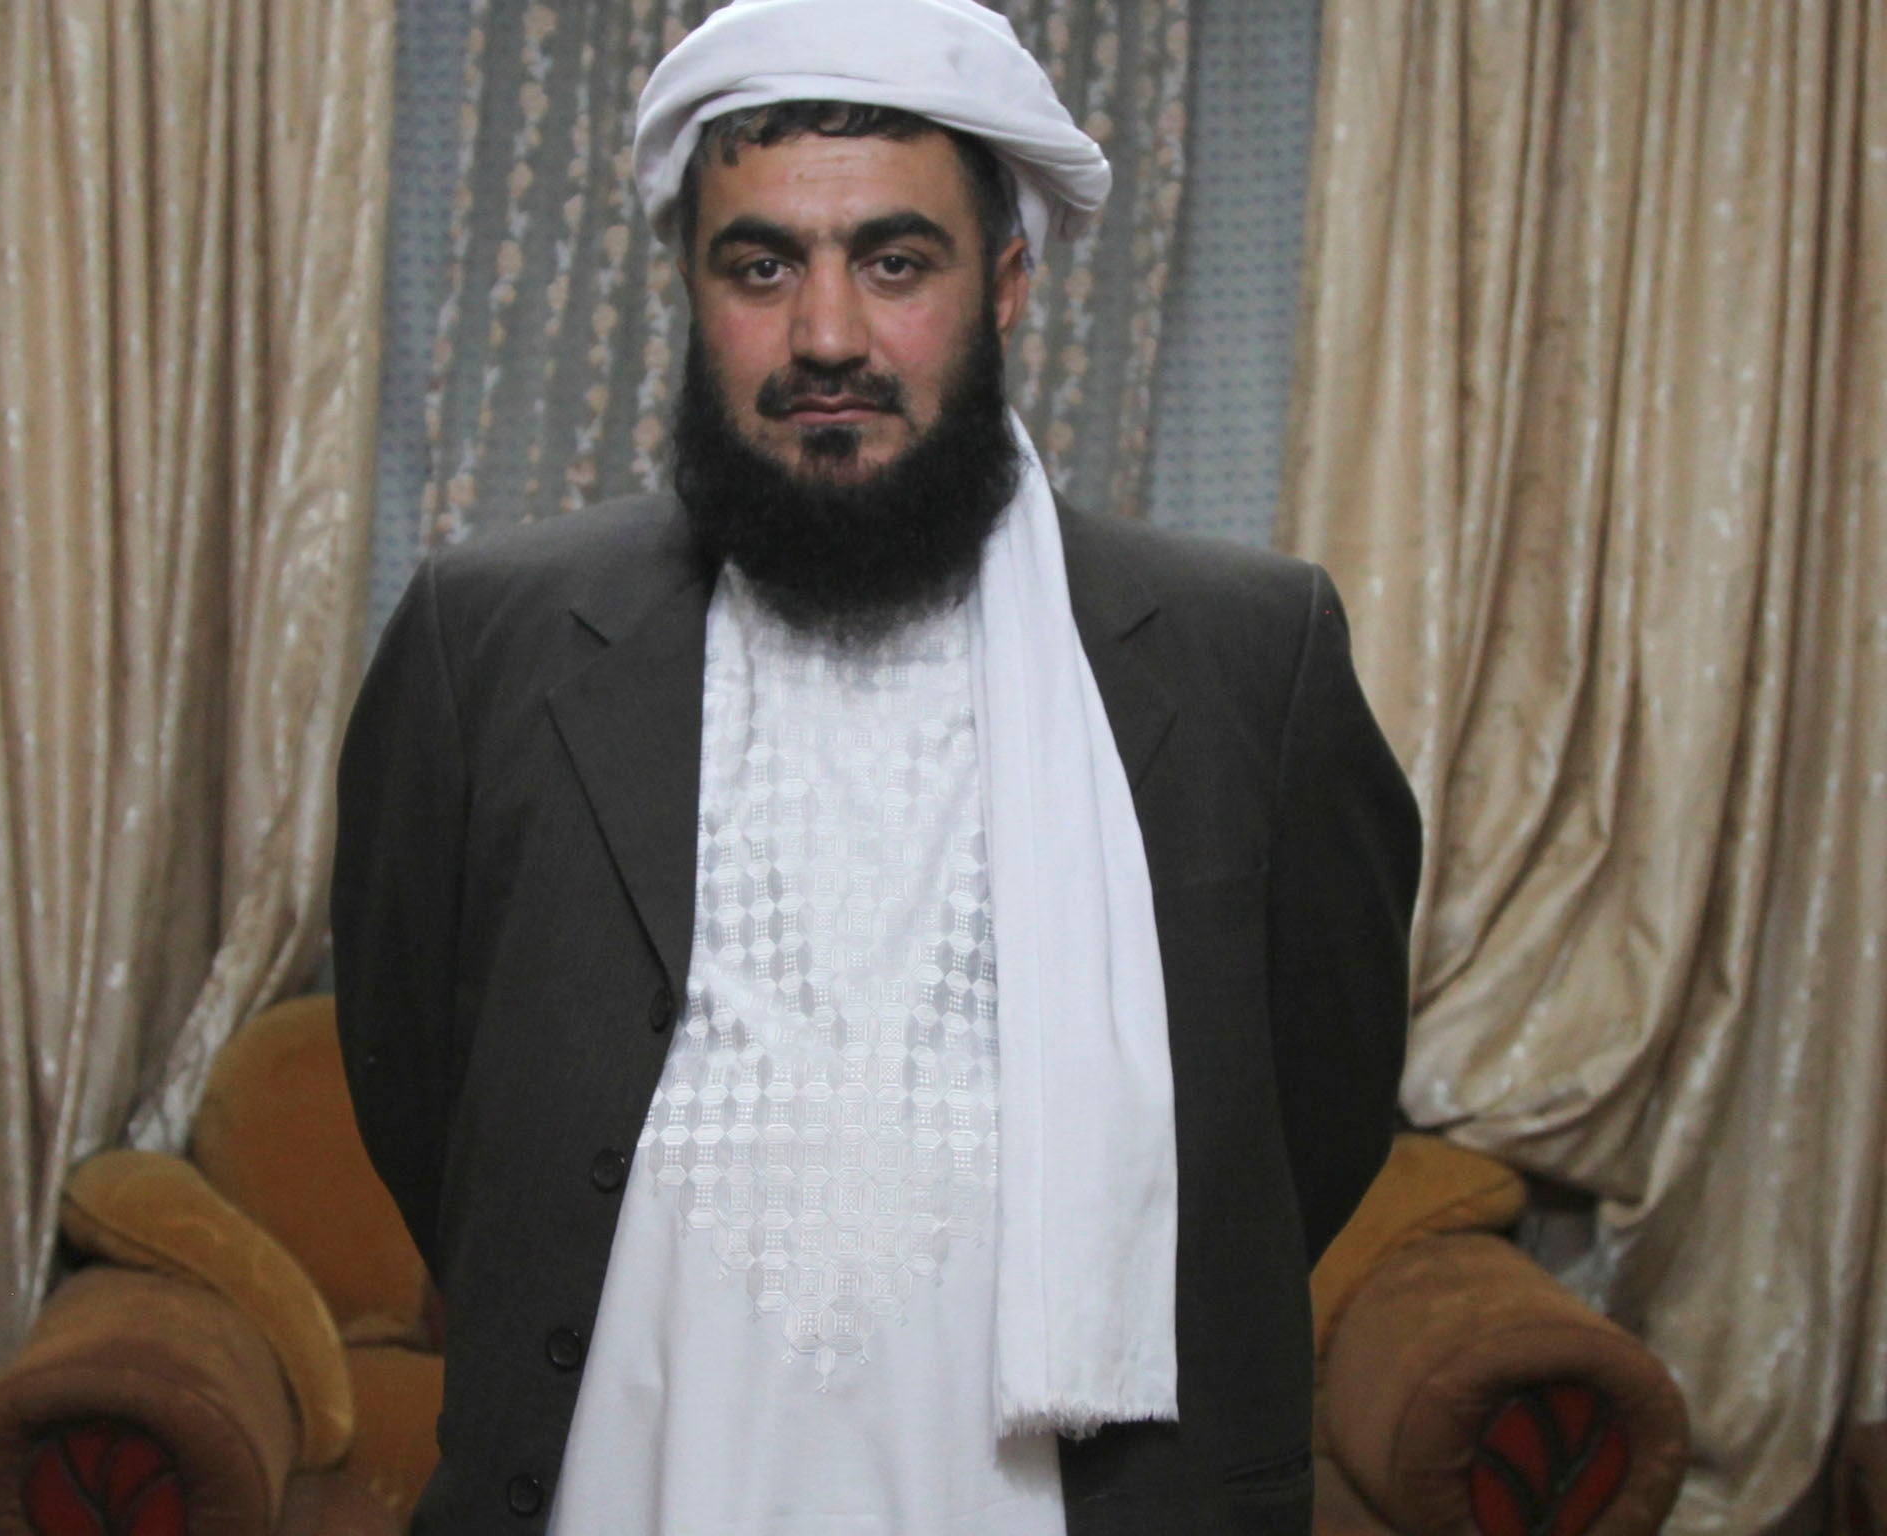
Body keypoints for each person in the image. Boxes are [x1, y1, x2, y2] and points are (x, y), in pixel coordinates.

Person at [332, 2, 1420, 1532]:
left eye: (896, 263)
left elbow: (1307, 1121)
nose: (826, 334)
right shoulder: (489, 640)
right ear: (694, 291)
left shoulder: (1251, 662)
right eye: (761, 265)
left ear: (1009, 285)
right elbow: (420, 1088)